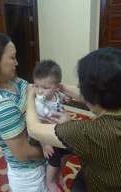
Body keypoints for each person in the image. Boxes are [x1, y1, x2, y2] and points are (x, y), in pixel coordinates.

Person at [26, 47, 121, 191]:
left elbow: (33, 129)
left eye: (81, 86)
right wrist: (54, 86)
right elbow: (91, 96)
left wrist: (30, 95)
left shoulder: (86, 132)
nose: (79, 88)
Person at [0, 31, 48, 192]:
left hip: (39, 161)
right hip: (30, 174)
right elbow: (23, 154)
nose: (17, 63)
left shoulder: (12, 81)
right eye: (12, 58)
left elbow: (32, 91)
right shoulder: (2, 105)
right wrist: (53, 150)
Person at [32, 60, 71, 192]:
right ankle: (49, 182)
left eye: (45, 87)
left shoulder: (56, 95)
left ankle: (57, 173)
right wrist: (44, 144)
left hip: (58, 130)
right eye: (36, 86)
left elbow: (61, 97)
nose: (39, 91)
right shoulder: (38, 105)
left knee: (69, 151)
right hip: (44, 135)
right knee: (55, 157)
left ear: (57, 87)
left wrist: (66, 98)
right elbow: (36, 126)